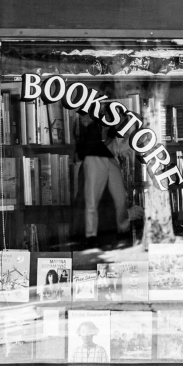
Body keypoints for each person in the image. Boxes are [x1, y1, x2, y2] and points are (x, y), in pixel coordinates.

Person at [77, 82, 130, 248]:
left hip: (104, 155)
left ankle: (123, 231)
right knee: (92, 200)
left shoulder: (105, 115)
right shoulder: (87, 114)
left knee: (120, 198)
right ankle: (90, 236)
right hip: (94, 156)